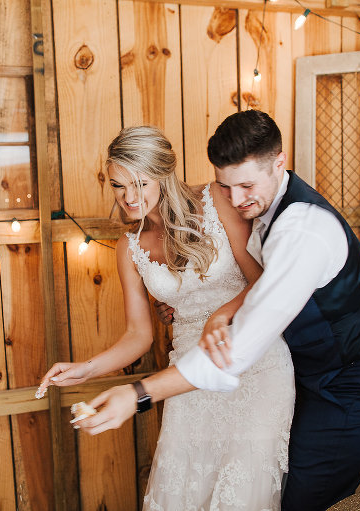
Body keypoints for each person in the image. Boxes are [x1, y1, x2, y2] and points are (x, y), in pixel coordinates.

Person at [74, 110, 360, 511]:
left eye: (245, 185)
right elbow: (145, 329)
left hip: (349, 377)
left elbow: (245, 337)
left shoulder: (301, 230)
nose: (235, 200)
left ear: (280, 163)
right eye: (225, 186)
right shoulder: (246, 208)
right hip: (293, 374)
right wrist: (90, 368)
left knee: (294, 498)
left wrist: (139, 395)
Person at [40, 126, 295, 509]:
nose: (128, 198)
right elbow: (137, 335)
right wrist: (87, 369)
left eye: (140, 183)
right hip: (186, 380)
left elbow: (264, 282)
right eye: (117, 186)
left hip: (255, 367)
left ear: (163, 174)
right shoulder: (128, 249)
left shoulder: (215, 201)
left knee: (240, 498)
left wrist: (221, 315)